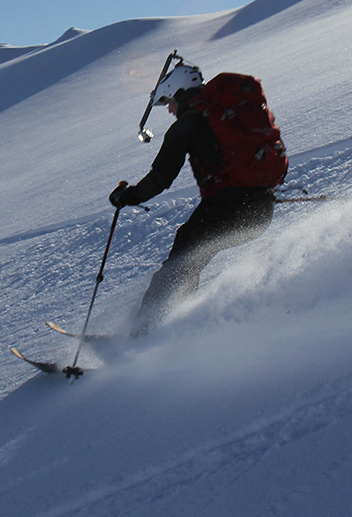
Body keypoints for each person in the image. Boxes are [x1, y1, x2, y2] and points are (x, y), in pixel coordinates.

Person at [109, 62, 283, 336]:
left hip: (229, 210)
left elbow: (161, 177)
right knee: (189, 252)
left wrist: (128, 196)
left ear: (178, 94)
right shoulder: (222, 112)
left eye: (168, 101)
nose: (169, 109)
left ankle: (144, 335)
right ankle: (170, 325)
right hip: (261, 209)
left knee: (182, 260)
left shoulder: (189, 123)